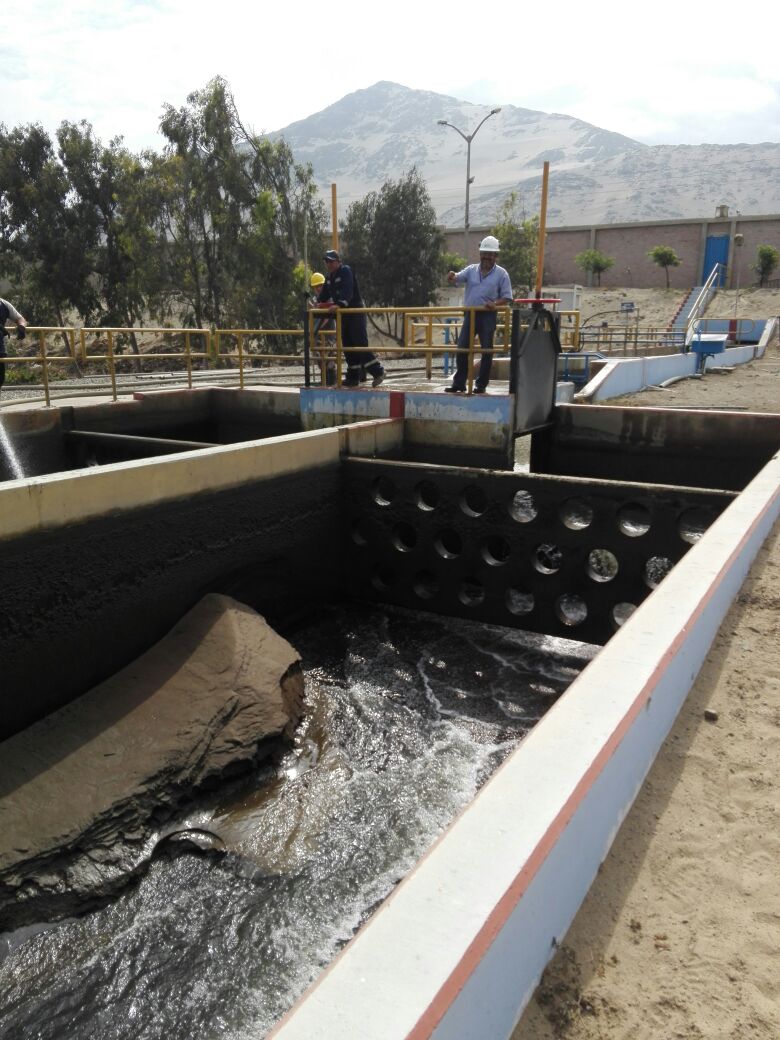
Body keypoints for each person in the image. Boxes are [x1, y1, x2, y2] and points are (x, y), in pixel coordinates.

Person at [444, 235, 512, 394]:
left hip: (488, 315)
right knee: (462, 348)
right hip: (471, 314)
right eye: (484, 253)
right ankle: (459, 383)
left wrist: (495, 303)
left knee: (486, 350)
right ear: (480, 254)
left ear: (495, 255)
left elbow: (507, 297)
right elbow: (457, 278)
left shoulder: (502, 274)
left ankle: (481, 385)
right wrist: (452, 277)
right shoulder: (471, 270)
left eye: (490, 254)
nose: (486, 257)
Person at [320, 250, 384, 388]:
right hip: (343, 315)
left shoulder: (345, 271)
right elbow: (323, 296)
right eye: (326, 262)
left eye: (331, 261)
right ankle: (353, 377)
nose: (328, 264)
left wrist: (339, 304)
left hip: (355, 313)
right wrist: (317, 304)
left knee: (359, 344)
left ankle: (378, 372)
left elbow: (347, 292)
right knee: (348, 346)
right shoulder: (329, 278)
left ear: (338, 261)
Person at [308, 272, 337, 386]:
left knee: (329, 358)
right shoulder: (316, 299)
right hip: (318, 334)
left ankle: (331, 381)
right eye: (316, 287)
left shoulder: (329, 298)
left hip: (328, 334)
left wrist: (317, 328)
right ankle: (324, 381)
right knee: (319, 358)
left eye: (320, 286)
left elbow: (327, 317)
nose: (318, 288)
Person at [0, 298, 28, 392]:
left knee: (0, 378)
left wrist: (22, 326)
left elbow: (20, 319)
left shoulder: (3, 304)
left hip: (0, 349)